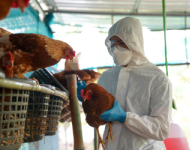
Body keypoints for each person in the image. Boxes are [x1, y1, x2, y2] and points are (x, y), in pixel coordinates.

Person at [77, 17, 172, 150]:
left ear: (135, 42)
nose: (116, 48)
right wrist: (87, 100)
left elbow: (161, 129)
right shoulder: (107, 76)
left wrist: (126, 117)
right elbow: (100, 116)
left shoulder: (158, 79)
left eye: (122, 42)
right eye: (113, 42)